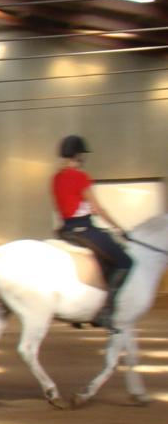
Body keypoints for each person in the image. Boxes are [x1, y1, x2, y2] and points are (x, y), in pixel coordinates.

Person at [52, 135, 131, 331]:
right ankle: (105, 311)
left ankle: (83, 309)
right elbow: (98, 209)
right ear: (78, 155)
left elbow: (61, 205)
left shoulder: (56, 177)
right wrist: (119, 228)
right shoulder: (80, 177)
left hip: (66, 230)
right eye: (83, 154)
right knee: (125, 262)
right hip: (84, 228)